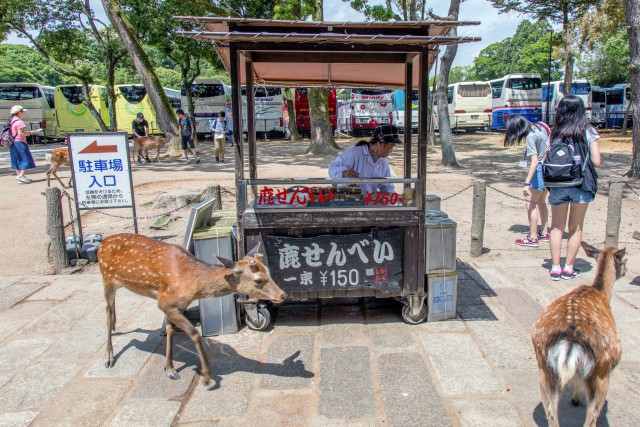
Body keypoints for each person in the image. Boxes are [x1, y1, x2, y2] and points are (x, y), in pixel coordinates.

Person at [547, 95, 601, 281]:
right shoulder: (588, 131)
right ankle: (569, 267)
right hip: (581, 184)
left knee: (556, 226)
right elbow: (597, 161)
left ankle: (555, 267)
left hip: (558, 184)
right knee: (575, 228)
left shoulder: (555, 132)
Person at [504, 115, 551, 248]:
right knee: (541, 202)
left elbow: (535, 161)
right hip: (549, 169)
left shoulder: (530, 136)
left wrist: (526, 183)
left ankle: (532, 237)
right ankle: (545, 232)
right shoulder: (540, 126)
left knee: (530, 203)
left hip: (540, 169)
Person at [328, 124, 401, 194]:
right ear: (381, 144)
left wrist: (389, 199)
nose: (391, 150)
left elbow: (388, 188)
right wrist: (344, 172)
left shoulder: (384, 163)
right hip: (350, 202)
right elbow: (332, 168)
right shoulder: (354, 153)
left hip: (370, 203)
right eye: (391, 146)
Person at [7, 105, 37, 184]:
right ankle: (21, 175)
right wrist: (31, 133)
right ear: (19, 112)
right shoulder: (20, 122)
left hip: (12, 142)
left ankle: (20, 177)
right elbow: (21, 134)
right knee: (25, 159)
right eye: (22, 111)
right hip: (20, 142)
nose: (23, 113)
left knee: (16, 160)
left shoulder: (11, 120)